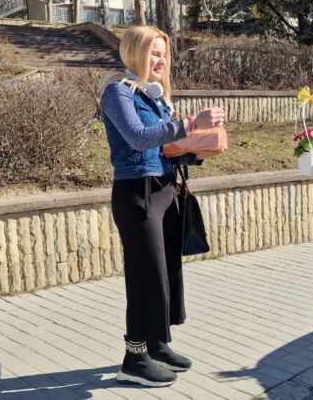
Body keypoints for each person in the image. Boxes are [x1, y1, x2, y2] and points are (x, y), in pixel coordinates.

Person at [98, 25, 226, 387]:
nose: (161, 60)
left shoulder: (155, 96)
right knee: (145, 274)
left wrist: (199, 148)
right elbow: (138, 138)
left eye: (164, 54)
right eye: (154, 53)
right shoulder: (118, 91)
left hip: (164, 189)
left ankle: (156, 343)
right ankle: (134, 358)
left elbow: (164, 148)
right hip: (137, 192)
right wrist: (190, 123)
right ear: (135, 52)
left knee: (167, 271)